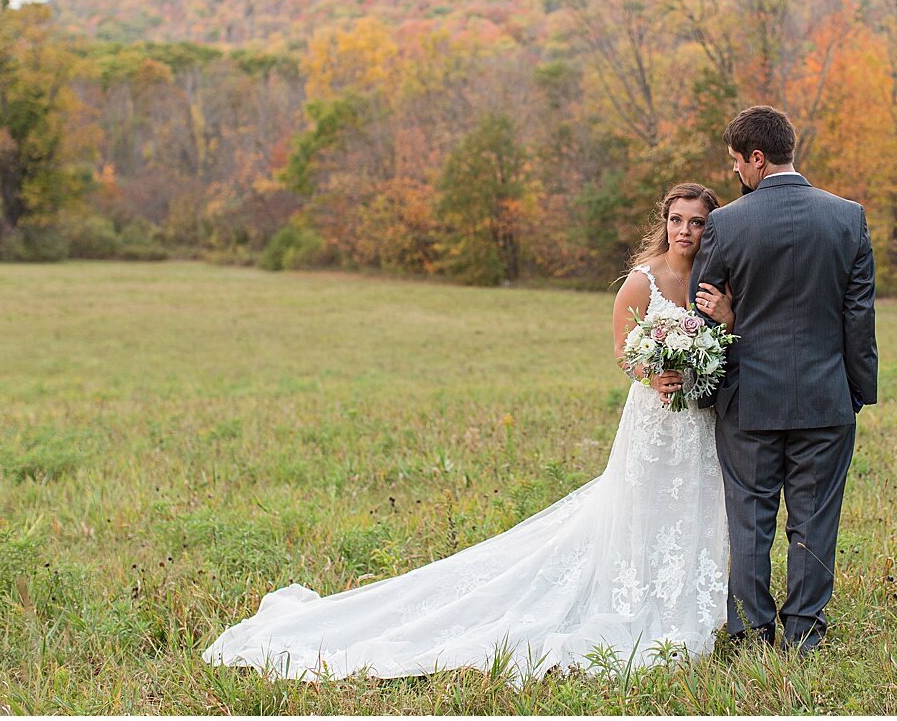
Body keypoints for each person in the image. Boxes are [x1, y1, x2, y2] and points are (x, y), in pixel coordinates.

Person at [201, 182, 736, 686]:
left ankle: (687, 604)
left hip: (699, 418)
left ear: (710, 227)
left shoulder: (714, 283)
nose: (684, 230)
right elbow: (624, 354)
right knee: (641, 508)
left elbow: (729, 339)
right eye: (675, 220)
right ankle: (633, 602)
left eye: (696, 221)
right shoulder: (640, 281)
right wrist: (652, 373)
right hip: (653, 422)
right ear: (663, 224)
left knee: (693, 503)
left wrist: (725, 319)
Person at [685, 105, 878, 654]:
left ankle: (748, 631)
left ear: (757, 158)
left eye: (736, 164)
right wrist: (858, 389)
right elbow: (857, 316)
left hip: (749, 398)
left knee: (750, 517)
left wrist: (710, 382)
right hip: (826, 395)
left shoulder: (728, 223)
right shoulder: (848, 217)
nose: (736, 175)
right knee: (815, 521)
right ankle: (805, 635)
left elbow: (702, 313)